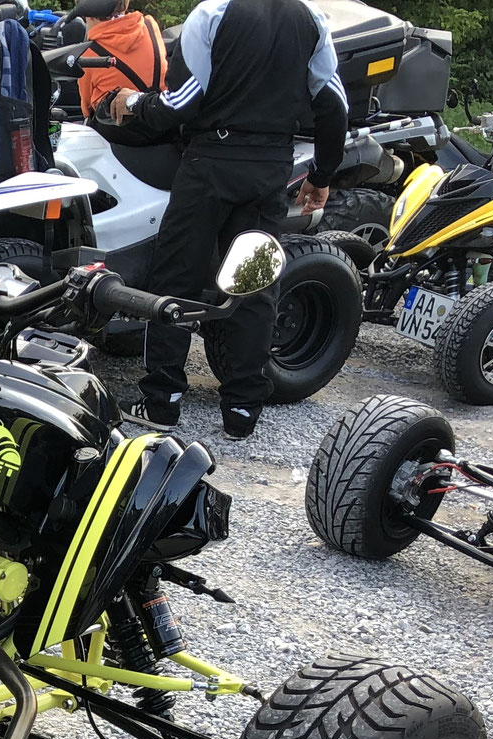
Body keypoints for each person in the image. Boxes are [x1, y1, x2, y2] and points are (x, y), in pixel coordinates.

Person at [104, 0, 347, 440]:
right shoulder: (310, 17)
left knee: (175, 278)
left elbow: (180, 103)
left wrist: (132, 101)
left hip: (211, 162)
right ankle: (242, 409)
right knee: (254, 285)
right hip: (270, 166)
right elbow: (332, 103)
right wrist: (322, 174)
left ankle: (161, 401)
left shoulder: (212, 13)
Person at [72, 0, 164, 126]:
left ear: (87, 11)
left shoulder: (88, 53)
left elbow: (86, 108)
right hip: (160, 120)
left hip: (118, 132)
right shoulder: (150, 25)